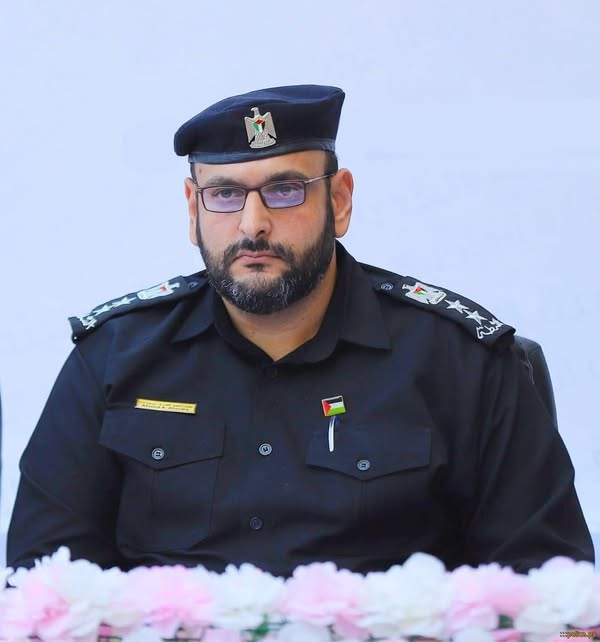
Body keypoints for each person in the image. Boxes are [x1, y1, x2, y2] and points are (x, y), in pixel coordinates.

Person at [7, 85, 594, 575]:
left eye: (285, 190)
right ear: (192, 208)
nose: (253, 225)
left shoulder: (459, 362)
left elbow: (548, 588)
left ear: (339, 200)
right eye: (224, 194)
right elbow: (43, 582)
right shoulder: (114, 358)